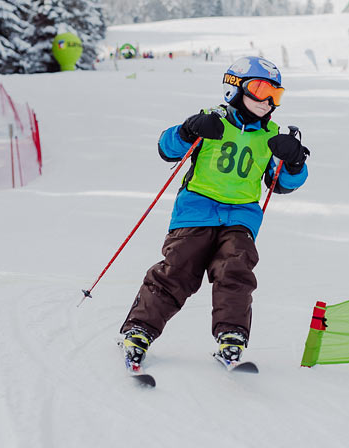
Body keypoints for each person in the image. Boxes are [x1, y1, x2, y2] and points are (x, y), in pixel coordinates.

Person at [119, 56, 309, 367]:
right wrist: (186, 130)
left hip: (241, 217)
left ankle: (232, 335)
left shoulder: (272, 137)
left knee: (235, 268)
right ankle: (140, 329)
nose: (268, 101)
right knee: (178, 269)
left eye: (276, 95)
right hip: (196, 211)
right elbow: (168, 149)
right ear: (233, 89)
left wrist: (294, 162)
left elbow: (284, 184)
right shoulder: (211, 122)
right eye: (261, 90)